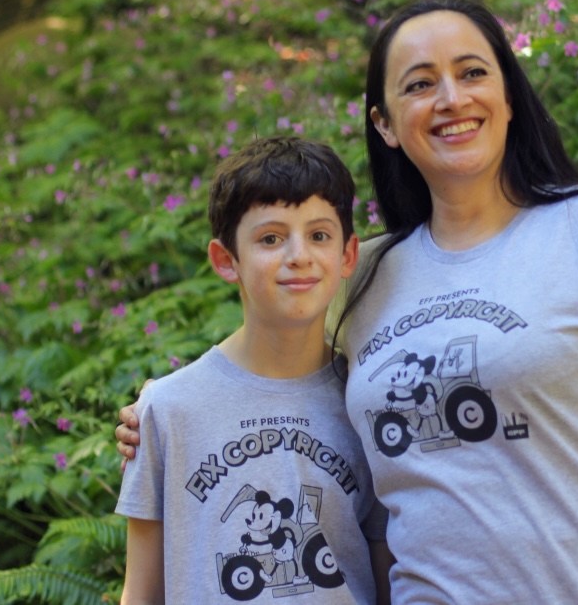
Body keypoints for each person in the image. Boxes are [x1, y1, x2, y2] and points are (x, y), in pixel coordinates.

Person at [119, 0, 578, 604]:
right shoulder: (365, 273)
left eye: (473, 72)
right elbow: (282, 362)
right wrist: (168, 417)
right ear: (385, 124)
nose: (452, 98)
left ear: (509, 96)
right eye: (421, 84)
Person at [116, 136, 391, 605]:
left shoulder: (367, 399)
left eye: (319, 235)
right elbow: (141, 593)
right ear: (227, 261)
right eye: (270, 238)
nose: (299, 255)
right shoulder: (166, 411)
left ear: (348, 255)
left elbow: (389, 577)